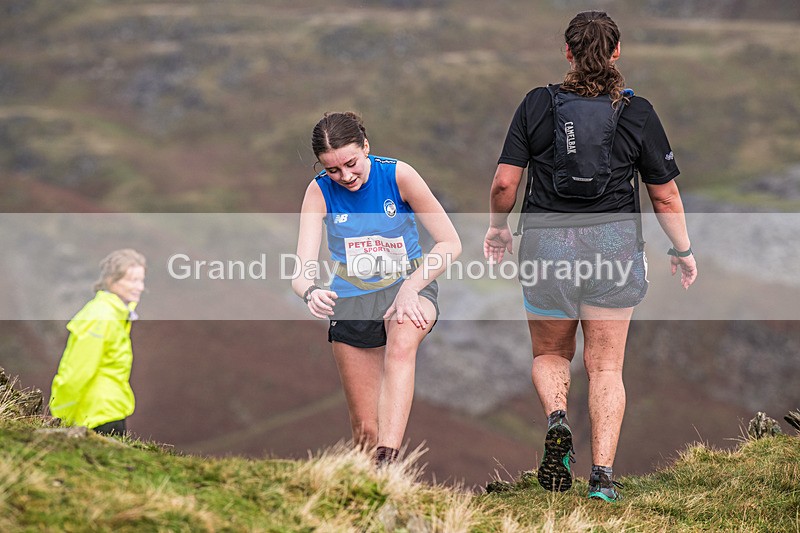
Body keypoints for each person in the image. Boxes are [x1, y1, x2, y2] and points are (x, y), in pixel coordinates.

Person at [484, 11, 697, 501]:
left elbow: (503, 183)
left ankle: (558, 418)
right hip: (614, 249)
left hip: (546, 248)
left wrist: (497, 230)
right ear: (617, 52)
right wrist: (682, 249)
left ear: (568, 53)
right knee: (605, 367)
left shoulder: (537, 104)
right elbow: (665, 196)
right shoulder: (637, 112)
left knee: (551, 353)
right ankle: (602, 479)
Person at [293, 111, 461, 465]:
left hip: (410, 287)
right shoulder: (318, 191)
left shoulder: (398, 175)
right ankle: (370, 491)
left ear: (366, 146)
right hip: (352, 298)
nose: (345, 176)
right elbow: (301, 272)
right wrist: (311, 291)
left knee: (401, 340)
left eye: (351, 163)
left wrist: (410, 288)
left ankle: (389, 459)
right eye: (332, 169)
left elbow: (449, 243)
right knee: (365, 431)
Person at [49, 249, 146, 437]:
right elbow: (78, 371)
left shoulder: (118, 314)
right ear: (112, 280)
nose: (140, 287)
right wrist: (61, 414)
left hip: (108, 412)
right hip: (94, 417)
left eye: (141, 280)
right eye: (132, 280)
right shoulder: (101, 317)